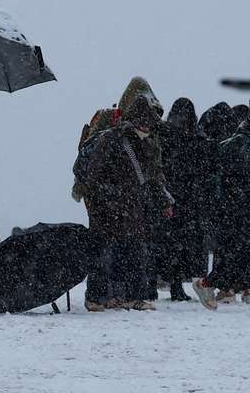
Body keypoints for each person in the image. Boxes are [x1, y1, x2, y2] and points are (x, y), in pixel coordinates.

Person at [75, 96, 174, 312]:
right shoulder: (111, 140)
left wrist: (163, 199)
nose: (147, 129)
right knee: (106, 254)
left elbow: (150, 177)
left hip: (129, 208)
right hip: (109, 208)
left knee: (132, 252)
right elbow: (94, 176)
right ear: (136, 122)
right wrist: (111, 196)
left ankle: (129, 297)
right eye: (145, 124)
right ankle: (97, 298)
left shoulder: (140, 143)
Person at [156, 98, 212, 301]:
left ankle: (173, 284)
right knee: (183, 243)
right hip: (188, 198)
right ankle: (181, 284)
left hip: (174, 197)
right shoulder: (195, 138)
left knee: (172, 243)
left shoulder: (166, 136)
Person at [195, 110, 250, 308]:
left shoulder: (230, 144)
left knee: (235, 249)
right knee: (237, 249)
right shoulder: (235, 145)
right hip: (237, 207)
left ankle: (216, 284)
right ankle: (208, 283)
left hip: (232, 206)